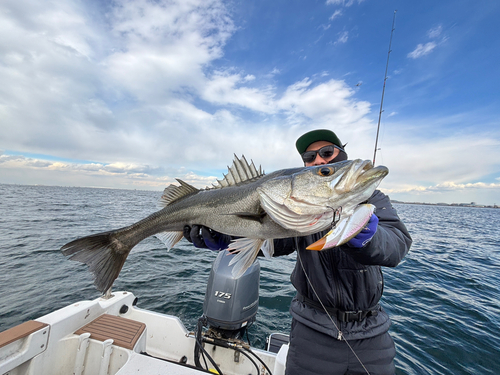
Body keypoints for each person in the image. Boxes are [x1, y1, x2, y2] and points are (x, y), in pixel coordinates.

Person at [184, 129, 412, 375]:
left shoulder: (373, 200)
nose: (318, 160)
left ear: (342, 154)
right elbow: (274, 242)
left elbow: (396, 245)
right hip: (311, 332)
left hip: (371, 334)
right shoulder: (299, 211)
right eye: (309, 158)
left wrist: (367, 236)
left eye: (326, 153)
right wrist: (225, 238)